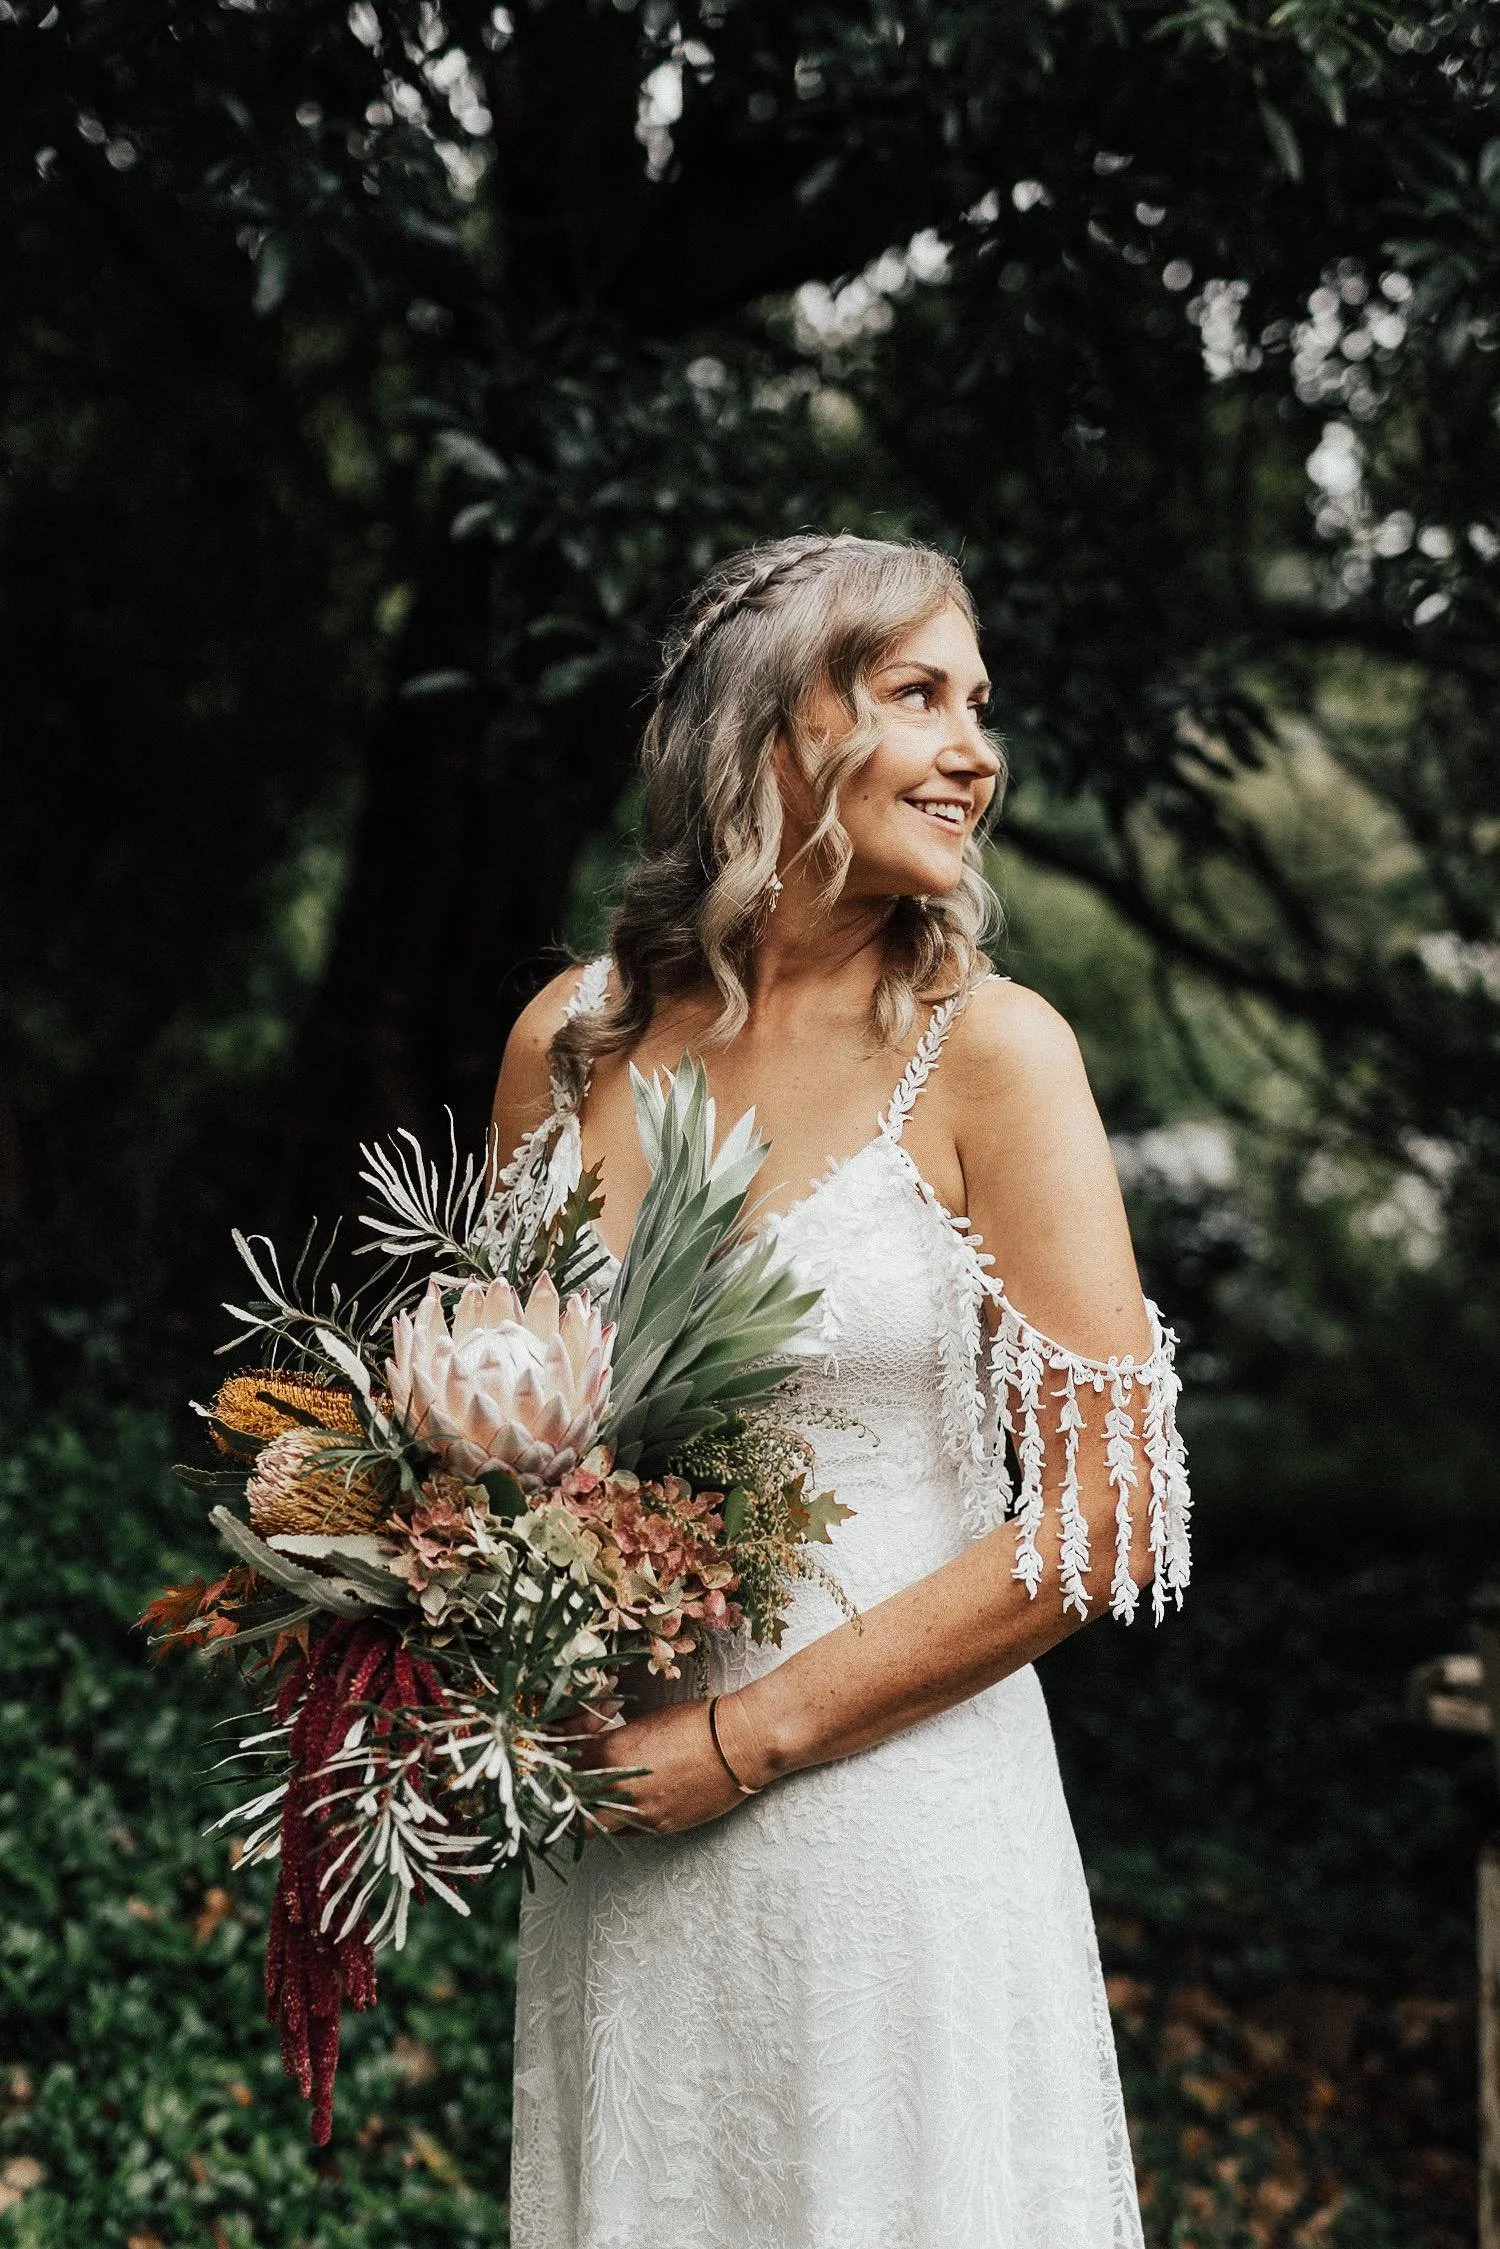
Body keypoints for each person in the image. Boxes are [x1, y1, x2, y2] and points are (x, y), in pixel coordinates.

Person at [489, 533, 1191, 2249]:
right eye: (918, 696)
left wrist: (746, 1739)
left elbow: (1103, 1517)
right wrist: (474, 1634)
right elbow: (488, 1431)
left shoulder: (994, 1050)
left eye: (982, 708)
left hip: (896, 1833)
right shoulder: (566, 1042)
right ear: (773, 729)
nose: (978, 750)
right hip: (622, 1844)